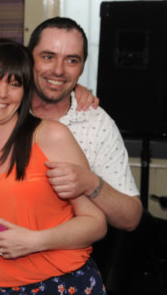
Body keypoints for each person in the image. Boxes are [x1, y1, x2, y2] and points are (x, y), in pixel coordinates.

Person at [0, 39, 111, 295]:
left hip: (64, 288)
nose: (2, 93)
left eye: (15, 84)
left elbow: (96, 222)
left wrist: (35, 241)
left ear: (25, 92)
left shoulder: (50, 136)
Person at [28, 17, 141, 231]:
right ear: (29, 58)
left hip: (67, 255)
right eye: (48, 56)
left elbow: (131, 218)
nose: (59, 70)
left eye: (72, 60)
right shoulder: (4, 107)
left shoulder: (96, 124)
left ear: (81, 68)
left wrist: (91, 183)